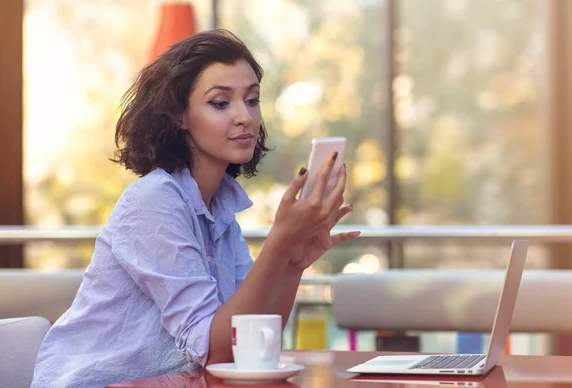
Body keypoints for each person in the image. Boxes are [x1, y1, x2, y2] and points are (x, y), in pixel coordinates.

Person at [31, 29, 360, 388]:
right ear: (179, 116)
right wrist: (278, 243)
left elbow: (249, 342)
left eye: (252, 100)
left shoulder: (219, 208)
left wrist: (292, 263)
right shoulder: (153, 202)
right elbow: (215, 350)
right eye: (221, 103)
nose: (245, 117)